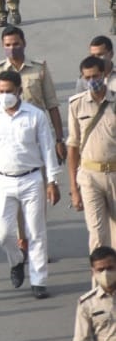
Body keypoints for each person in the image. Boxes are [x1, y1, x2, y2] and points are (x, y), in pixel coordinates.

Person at [0, 68, 60, 298]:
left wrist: (52, 180)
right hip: (2, 181)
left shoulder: (35, 116)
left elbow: (48, 148)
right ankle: (16, 260)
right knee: (3, 232)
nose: (5, 95)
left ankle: (39, 280)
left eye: (9, 91)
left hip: (32, 178)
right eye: (1, 91)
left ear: (20, 91)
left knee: (36, 231)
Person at [0, 26, 66, 160]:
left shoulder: (39, 68)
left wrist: (59, 140)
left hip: (37, 134)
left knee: (45, 176)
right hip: (8, 136)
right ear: (2, 45)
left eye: (16, 44)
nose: (12, 48)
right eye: (8, 45)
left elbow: (52, 105)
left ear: (24, 43)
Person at [68, 54, 116, 251]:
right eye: (87, 78)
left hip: (114, 173)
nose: (91, 81)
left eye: (95, 76)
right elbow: (73, 146)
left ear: (104, 74)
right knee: (97, 234)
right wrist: (73, 189)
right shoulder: (76, 104)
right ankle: (99, 281)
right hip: (89, 176)